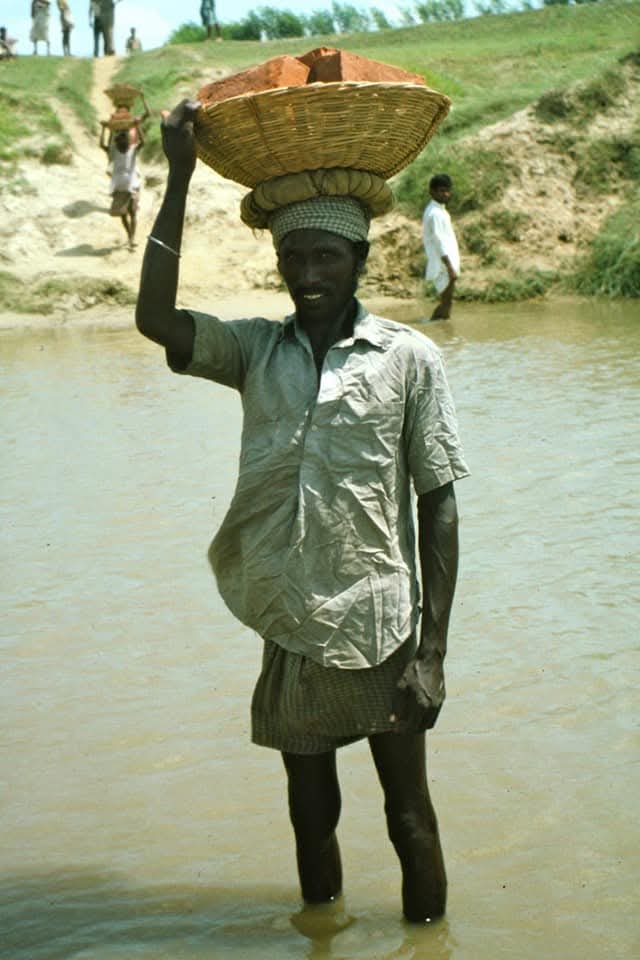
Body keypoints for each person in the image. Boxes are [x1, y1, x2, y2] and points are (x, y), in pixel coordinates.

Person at [135, 101, 469, 923]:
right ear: (279, 262)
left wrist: (432, 653)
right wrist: (177, 176)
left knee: (410, 817)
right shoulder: (257, 350)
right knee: (310, 816)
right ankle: (323, 928)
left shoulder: (407, 359)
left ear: (360, 260)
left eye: (327, 257)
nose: (309, 274)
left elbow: (439, 504)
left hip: (384, 629)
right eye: (294, 258)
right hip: (291, 622)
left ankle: (424, 940)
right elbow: (155, 320)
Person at [422, 173, 460, 321]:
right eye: (442, 191)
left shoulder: (439, 210)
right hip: (444, 264)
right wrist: (449, 267)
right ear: (432, 192)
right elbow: (439, 241)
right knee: (446, 303)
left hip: (446, 262)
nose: (446, 194)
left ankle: (437, 327)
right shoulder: (435, 213)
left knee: (447, 302)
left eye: (448, 191)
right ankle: (433, 326)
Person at [100, 123, 144, 251]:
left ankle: (132, 239)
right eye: (121, 142)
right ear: (118, 143)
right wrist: (104, 129)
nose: (123, 144)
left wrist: (138, 126)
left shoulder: (132, 150)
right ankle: (130, 236)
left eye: (125, 142)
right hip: (120, 187)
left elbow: (143, 142)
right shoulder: (115, 151)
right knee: (124, 214)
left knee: (132, 212)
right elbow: (102, 145)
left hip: (131, 186)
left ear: (128, 142)